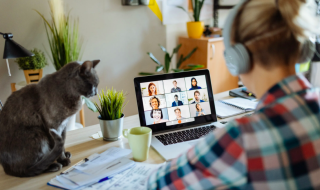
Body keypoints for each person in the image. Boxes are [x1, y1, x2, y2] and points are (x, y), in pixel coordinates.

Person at [148, 0, 320, 189]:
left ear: (238, 57)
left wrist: (204, 150)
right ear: (303, 49)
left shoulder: (244, 136)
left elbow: (158, 184)